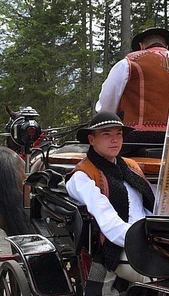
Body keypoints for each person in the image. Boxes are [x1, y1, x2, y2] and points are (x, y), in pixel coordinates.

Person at [66, 111, 155, 284]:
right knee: (158, 276)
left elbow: (149, 206)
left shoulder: (131, 167)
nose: (114, 140)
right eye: (106, 134)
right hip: (116, 246)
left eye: (118, 134)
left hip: (148, 238)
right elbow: (107, 220)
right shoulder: (83, 176)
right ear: (92, 140)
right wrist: (140, 239)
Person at [96, 27, 169, 143]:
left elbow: (107, 104)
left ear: (141, 46)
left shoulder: (128, 63)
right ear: (167, 47)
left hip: (135, 137)